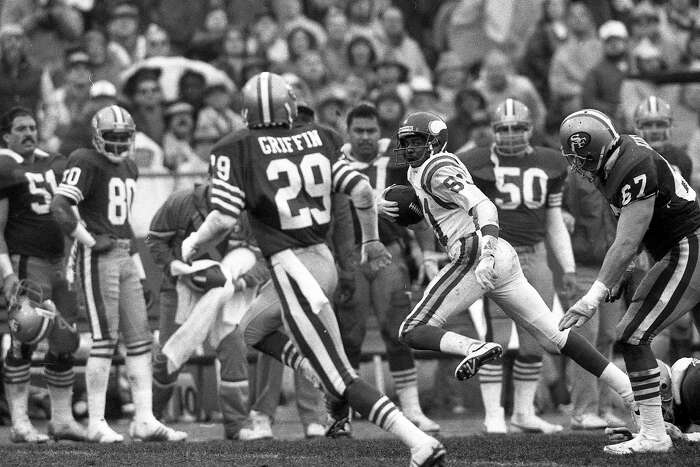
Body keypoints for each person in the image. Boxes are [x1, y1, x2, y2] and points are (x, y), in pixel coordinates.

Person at [180, 71, 446, 466]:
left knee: (341, 377)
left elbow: (221, 219)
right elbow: (360, 191)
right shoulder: (319, 137)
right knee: (252, 329)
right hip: (319, 259)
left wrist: (191, 244)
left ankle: (417, 441)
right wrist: (371, 241)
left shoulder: (235, 147)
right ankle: (317, 372)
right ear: (288, 108)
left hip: (294, 268)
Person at [382, 111, 635, 442]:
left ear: (435, 141)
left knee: (412, 329)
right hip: (501, 254)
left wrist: (485, 251)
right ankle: (632, 393)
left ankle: (475, 347)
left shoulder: (437, 168)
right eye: (407, 142)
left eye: (417, 141)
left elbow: (484, 206)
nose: (410, 148)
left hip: (477, 252)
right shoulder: (426, 168)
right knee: (555, 337)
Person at [558, 108, 700, 454]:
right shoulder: (621, 154)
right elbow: (633, 231)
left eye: (584, 157)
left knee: (631, 336)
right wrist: (623, 271)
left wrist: (593, 294)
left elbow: (626, 241)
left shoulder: (630, 166)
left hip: (687, 247)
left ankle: (653, 434)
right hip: (681, 244)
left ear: (602, 148)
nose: (579, 164)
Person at [49, 105, 186, 443]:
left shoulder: (129, 165)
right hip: (98, 258)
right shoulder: (84, 159)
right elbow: (59, 206)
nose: (119, 143)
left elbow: (122, 223)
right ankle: (96, 421)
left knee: (140, 339)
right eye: (112, 137)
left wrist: (138, 272)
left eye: (124, 137)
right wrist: (89, 239)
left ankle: (144, 419)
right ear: (97, 137)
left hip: (123, 254)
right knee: (104, 339)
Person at [459, 98, 576, 433]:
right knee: (494, 334)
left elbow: (553, 219)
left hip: (535, 253)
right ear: (493, 131)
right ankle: (493, 414)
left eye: (517, 128)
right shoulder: (475, 161)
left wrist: (566, 267)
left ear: (529, 128)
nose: (510, 134)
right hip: (495, 252)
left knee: (535, 335)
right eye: (503, 129)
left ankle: (523, 412)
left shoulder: (550, 161)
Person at [334, 103, 438, 433]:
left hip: (390, 253)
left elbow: (421, 204)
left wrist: (428, 254)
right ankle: (341, 415)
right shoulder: (334, 162)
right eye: (358, 131)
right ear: (347, 133)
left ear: (380, 132)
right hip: (350, 254)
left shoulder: (397, 159)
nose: (365, 137)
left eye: (371, 130)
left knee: (398, 331)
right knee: (349, 336)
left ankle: (411, 410)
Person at [146, 181, 267, 440]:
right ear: (211, 178)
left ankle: (237, 425)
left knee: (234, 348)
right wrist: (173, 266)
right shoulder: (180, 202)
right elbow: (155, 241)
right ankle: (150, 418)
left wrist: (242, 281)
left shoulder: (250, 208)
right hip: (181, 287)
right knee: (171, 353)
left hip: (227, 289)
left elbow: (264, 256)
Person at [0, 107, 85, 442]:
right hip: (27, 262)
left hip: (59, 261)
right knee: (25, 336)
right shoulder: (5, 165)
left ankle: (62, 419)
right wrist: (6, 274)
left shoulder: (54, 161)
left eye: (33, 127)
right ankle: (20, 423)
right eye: (20, 128)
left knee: (65, 341)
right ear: (6, 135)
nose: (28, 133)